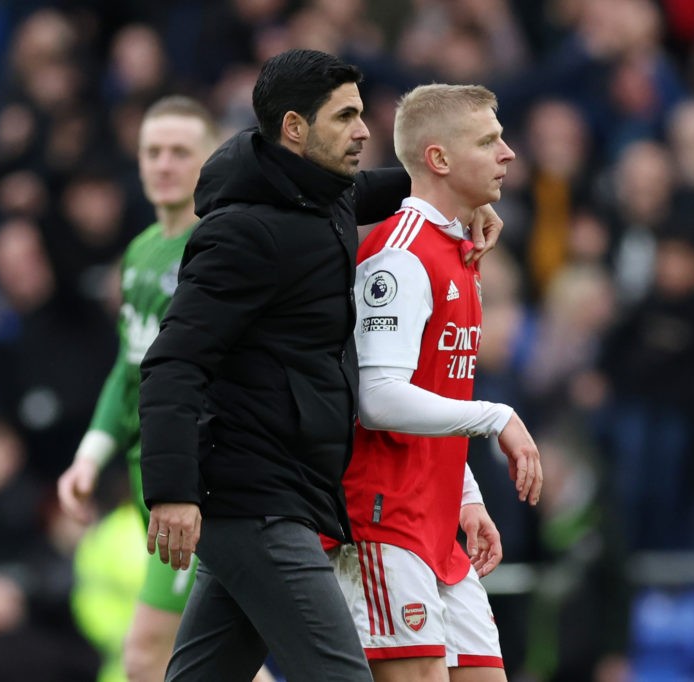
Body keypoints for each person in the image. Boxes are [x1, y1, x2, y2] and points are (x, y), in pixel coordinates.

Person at [137, 50, 502, 682]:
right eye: (347, 117)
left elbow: (385, 186)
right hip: (256, 500)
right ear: (295, 130)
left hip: (288, 495)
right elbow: (172, 363)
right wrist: (170, 491)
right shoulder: (242, 233)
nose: (365, 130)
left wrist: (460, 204)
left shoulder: (321, 197)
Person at [55, 95, 275, 682]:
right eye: (152, 151)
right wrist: (89, 455)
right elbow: (128, 369)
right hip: (147, 479)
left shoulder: (224, 248)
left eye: (181, 151)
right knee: (213, 657)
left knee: (148, 650)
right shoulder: (141, 250)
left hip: (200, 484)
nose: (164, 163)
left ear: (210, 160)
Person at [329, 83, 542, 682]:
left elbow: (436, 394)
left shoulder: (461, 253)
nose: (508, 154)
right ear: (439, 159)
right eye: (489, 141)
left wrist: (466, 497)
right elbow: (377, 398)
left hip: (437, 522)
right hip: (385, 521)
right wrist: (495, 416)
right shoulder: (397, 257)